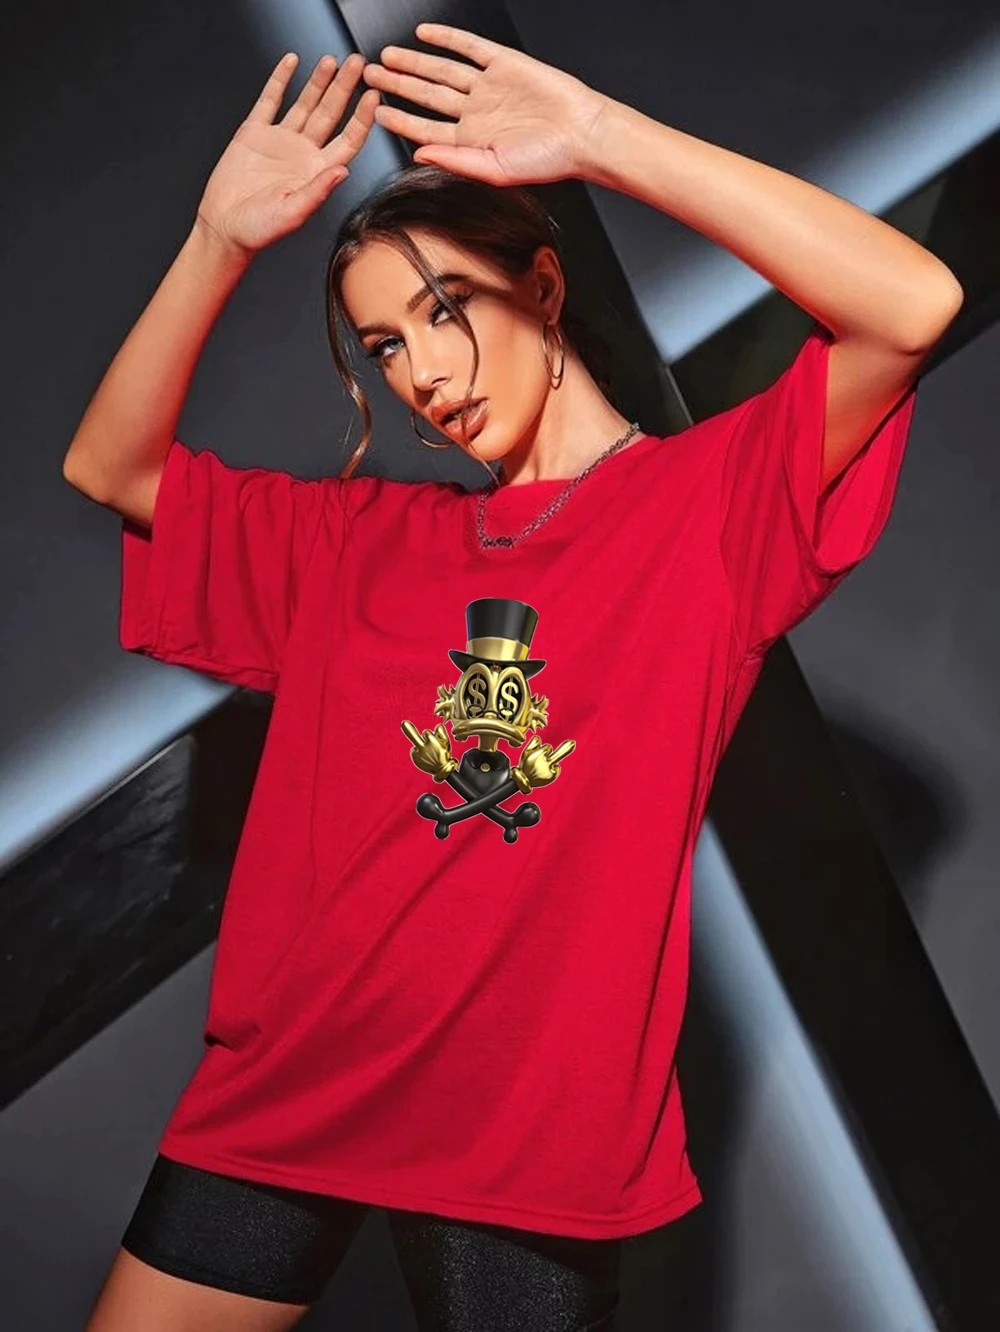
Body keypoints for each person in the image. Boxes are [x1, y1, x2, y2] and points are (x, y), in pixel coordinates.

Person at [66, 23, 962, 1332]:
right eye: (384, 348)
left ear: (543, 287)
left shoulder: (705, 513)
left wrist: (602, 137)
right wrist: (217, 238)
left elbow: (913, 304)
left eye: (445, 309)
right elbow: (110, 467)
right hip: (300, 1083)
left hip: (529, 1130)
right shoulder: (354, 542)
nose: (422, 373)